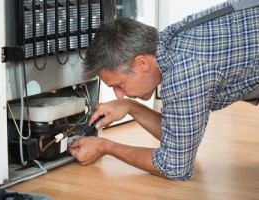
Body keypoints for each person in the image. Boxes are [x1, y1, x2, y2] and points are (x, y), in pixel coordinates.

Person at [68, 0, 259, 180]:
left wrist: (105, 146)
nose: (119, 94)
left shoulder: (183, 72)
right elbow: (181, 137)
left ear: (141, 64)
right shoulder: (169, 42)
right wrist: (130, 106)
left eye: (119, 85)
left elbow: (175, 166)